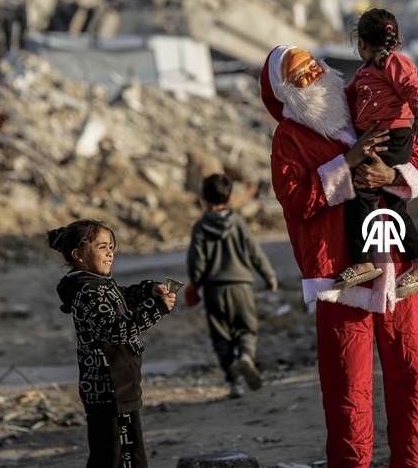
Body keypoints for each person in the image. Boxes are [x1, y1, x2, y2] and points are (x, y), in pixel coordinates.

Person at [260, 45, 418, 468]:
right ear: (285, 91)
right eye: (301, 76)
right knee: (348, 393)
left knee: (413, 379)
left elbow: (415, 159)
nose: (315, 77)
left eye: (315, 67)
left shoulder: (363, 101)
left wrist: (391, 175)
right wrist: (348, 163)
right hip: (341, 279)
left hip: (397, 267)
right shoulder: (289, 138)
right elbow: (297, 200)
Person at [50, 219, 175, 468]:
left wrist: (146, 291)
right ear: (79, 255)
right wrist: (156, 308)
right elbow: (115, 331)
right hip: (107, 390)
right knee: (112, 458)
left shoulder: (97, 285)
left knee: (128, 456)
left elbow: (120, 298)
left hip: (120, 385)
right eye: (102, 247)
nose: (110, 253)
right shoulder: (87, 291)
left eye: (111, 247)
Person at [337, 8, 418, 297]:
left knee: (360, 193)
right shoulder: (365, 72)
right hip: (378, 136)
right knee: (393, 206)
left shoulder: (395, 63)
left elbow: (413, 88)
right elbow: (347, 95)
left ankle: (363, 262)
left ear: (362, 44)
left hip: (393, 135)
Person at [187, 173, 278, 399]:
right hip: (241, 287)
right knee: (246, 329)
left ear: (203, 197)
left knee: (221, 336)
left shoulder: (200, 226)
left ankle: (234, 382)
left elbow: (196, 264)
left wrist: (195, 284)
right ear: (229, 196)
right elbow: (254, 252)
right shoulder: (238, 222)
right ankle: (246, 356)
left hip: (213, 289)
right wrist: (269, 277)